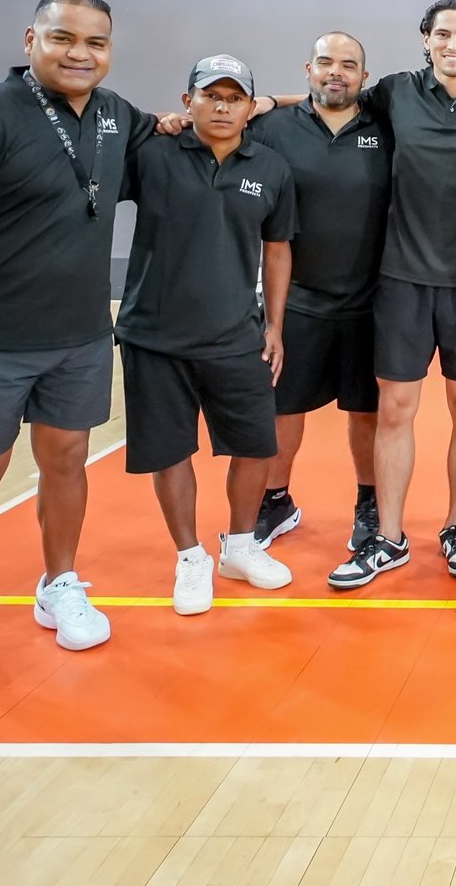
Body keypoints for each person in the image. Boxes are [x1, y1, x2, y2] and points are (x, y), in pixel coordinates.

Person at [0, 0, 156, 703]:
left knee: (67, 460)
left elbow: (179, 127)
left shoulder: (114, 116)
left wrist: (267, 102)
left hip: (77, 336)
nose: (80, 53)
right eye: (63, 37)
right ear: (30, 38)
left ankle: (58, 583)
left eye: (96, 42)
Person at [316, 0, 456, 587]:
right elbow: (325, 102)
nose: (452, 43)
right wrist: (260, 103)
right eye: (442, 34)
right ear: (426, 40)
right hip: (403, 280)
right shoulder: (395, 93)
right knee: (396, 411)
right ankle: (389, 537)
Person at [115, 55, 298, 616]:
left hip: (237, 334)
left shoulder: (270, 167)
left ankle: (240, 546)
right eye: (209, 95)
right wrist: (155, 121)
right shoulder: (151, 154)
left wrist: (275, 325)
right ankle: (190, 556)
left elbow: (278, 248)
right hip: (155, 335)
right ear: (187, 99)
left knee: (255, 446)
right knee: (171, 451)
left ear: (250, 106)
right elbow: (100, 134)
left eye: (233, 97)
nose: (222, 106)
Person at [245, 33, 390, 556]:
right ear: (307, 68)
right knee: (283, 408)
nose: (337, 72)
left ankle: (370, 504)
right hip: (298, 298)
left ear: (364, 79)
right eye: (326, 63)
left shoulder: (386, 126)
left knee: (367, 413)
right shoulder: (272, 128)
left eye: (349, 65)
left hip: (372, 302)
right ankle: (276, 499)